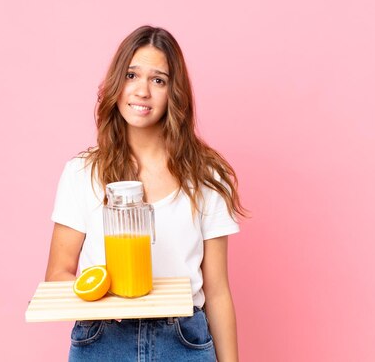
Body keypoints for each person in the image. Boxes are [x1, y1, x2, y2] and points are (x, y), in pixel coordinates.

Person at [45, 25, 246, 361]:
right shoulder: (82, 173)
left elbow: (217, 291)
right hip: (103, 337)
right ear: (116, 84)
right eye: (131, 75)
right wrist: (106, 298)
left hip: (183, 341)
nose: (142, 91)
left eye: (158, 80)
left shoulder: (207, 175)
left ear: (174, 93)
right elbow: (58, 274)